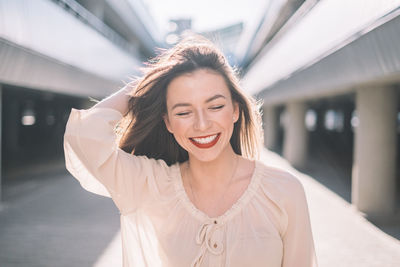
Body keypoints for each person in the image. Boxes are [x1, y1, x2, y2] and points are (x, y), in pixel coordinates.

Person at [64, 36, 318, 267]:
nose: (202, 124)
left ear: (236, 110)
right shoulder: (152, 185)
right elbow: (85, 136)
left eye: (215, 106)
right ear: (168, 123)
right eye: (183, 112)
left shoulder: (284, 190)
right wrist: (148, 84)